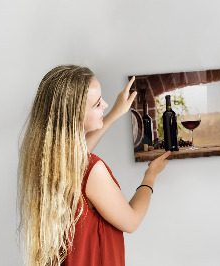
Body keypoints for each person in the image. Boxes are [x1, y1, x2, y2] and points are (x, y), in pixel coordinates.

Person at [17, 65, 171, 266]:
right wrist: (150, 176)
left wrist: (115, 113)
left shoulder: (47, 160)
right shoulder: (92, 170)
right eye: (98, 104)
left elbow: (79, 156)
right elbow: (131, 221)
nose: (106, 104)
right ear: (75, 116)